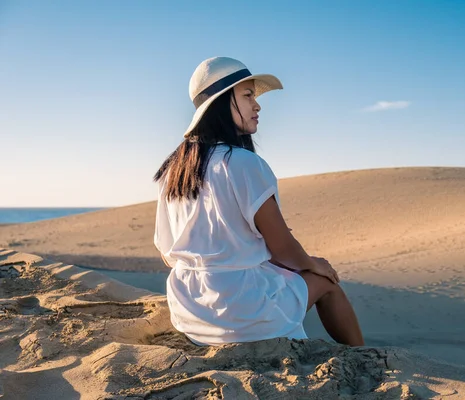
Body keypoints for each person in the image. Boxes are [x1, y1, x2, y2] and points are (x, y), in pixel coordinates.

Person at [153, 56, 364, 347]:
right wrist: (314, 265)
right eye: (248, 95)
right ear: (220, 103)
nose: (258, 105)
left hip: (188, 312)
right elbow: (283, 248)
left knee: (279, 273)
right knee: (327, 283)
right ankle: (364, 357)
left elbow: (167, 252)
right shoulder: (242, 163)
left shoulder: (174, 170)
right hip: (239, 316)